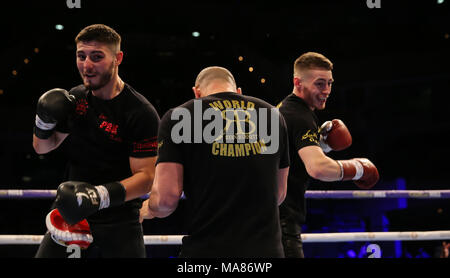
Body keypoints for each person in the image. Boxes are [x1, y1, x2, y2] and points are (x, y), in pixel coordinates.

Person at [33, 24, 160, 258]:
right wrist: (43, 121)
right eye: (81, 56)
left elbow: (146, 178)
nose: (87, 65)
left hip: (119, 224)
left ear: (118, 58)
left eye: (97, 57)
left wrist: (97, 195)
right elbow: (42, 147)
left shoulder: (139, 112)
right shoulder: (76, 98)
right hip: (71, 216)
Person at [140, 66, 290, 258]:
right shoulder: (273, 115)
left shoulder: (179, 116)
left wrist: (148, 209)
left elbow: (166, 201)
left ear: (197, 93)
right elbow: (278, 194)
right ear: (238, 92)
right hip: (266, 254)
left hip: (207, 251)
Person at [277, 52, 379, 258]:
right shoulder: (300, 117)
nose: (327, 90)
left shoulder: (282, 109)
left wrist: (321, 146)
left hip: (269, 219)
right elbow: (318, 168)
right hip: (283, 223)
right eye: (320, 84)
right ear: (298, 82)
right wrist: (359, 169)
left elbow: (288, 158)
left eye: (330, 83)